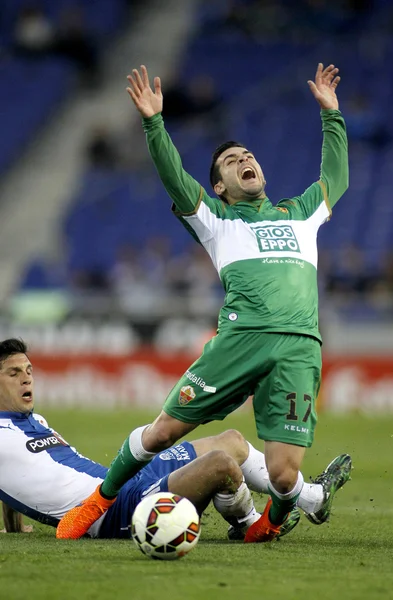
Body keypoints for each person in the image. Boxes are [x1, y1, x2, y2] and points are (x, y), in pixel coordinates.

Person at [57, 62, 349, 542]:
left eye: (247, 154)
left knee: (282, 477)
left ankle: (266, 528)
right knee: (162, 432)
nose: (243, 159)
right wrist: (154, 123)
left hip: (300, 347)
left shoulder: (301, 213)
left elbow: (335, 176)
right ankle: (97, 503)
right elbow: (173, 175)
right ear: (218, 187)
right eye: (231, 161)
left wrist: (331, 116)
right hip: (240, 342)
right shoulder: (216, 220)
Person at [0, 338, 351, 540]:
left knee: (230, 441)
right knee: (220, 466)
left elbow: (19, 475)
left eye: (29, 371)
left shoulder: (34, 420)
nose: (26, 379)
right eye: (14, 373)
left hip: (120, 484)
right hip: (112, 514)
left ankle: (312, 498)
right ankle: (250, 525)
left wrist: (15, 527)